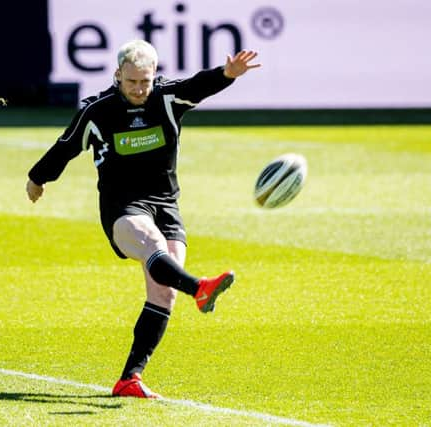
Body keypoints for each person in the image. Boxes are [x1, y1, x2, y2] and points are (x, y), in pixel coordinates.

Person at [26, 39, 261, 398]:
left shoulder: (166, 98)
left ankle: (129, 379)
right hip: (122, 208)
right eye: (132, 81)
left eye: (145, 81)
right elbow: (66, 145)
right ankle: (200, 288)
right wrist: (37, 177)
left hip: (167, 205)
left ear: (154, 75)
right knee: (152, 246)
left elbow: (196, 85)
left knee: (164, 292)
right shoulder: (98, 111)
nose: (139, 89)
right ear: (118, 74)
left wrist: (227, 74)